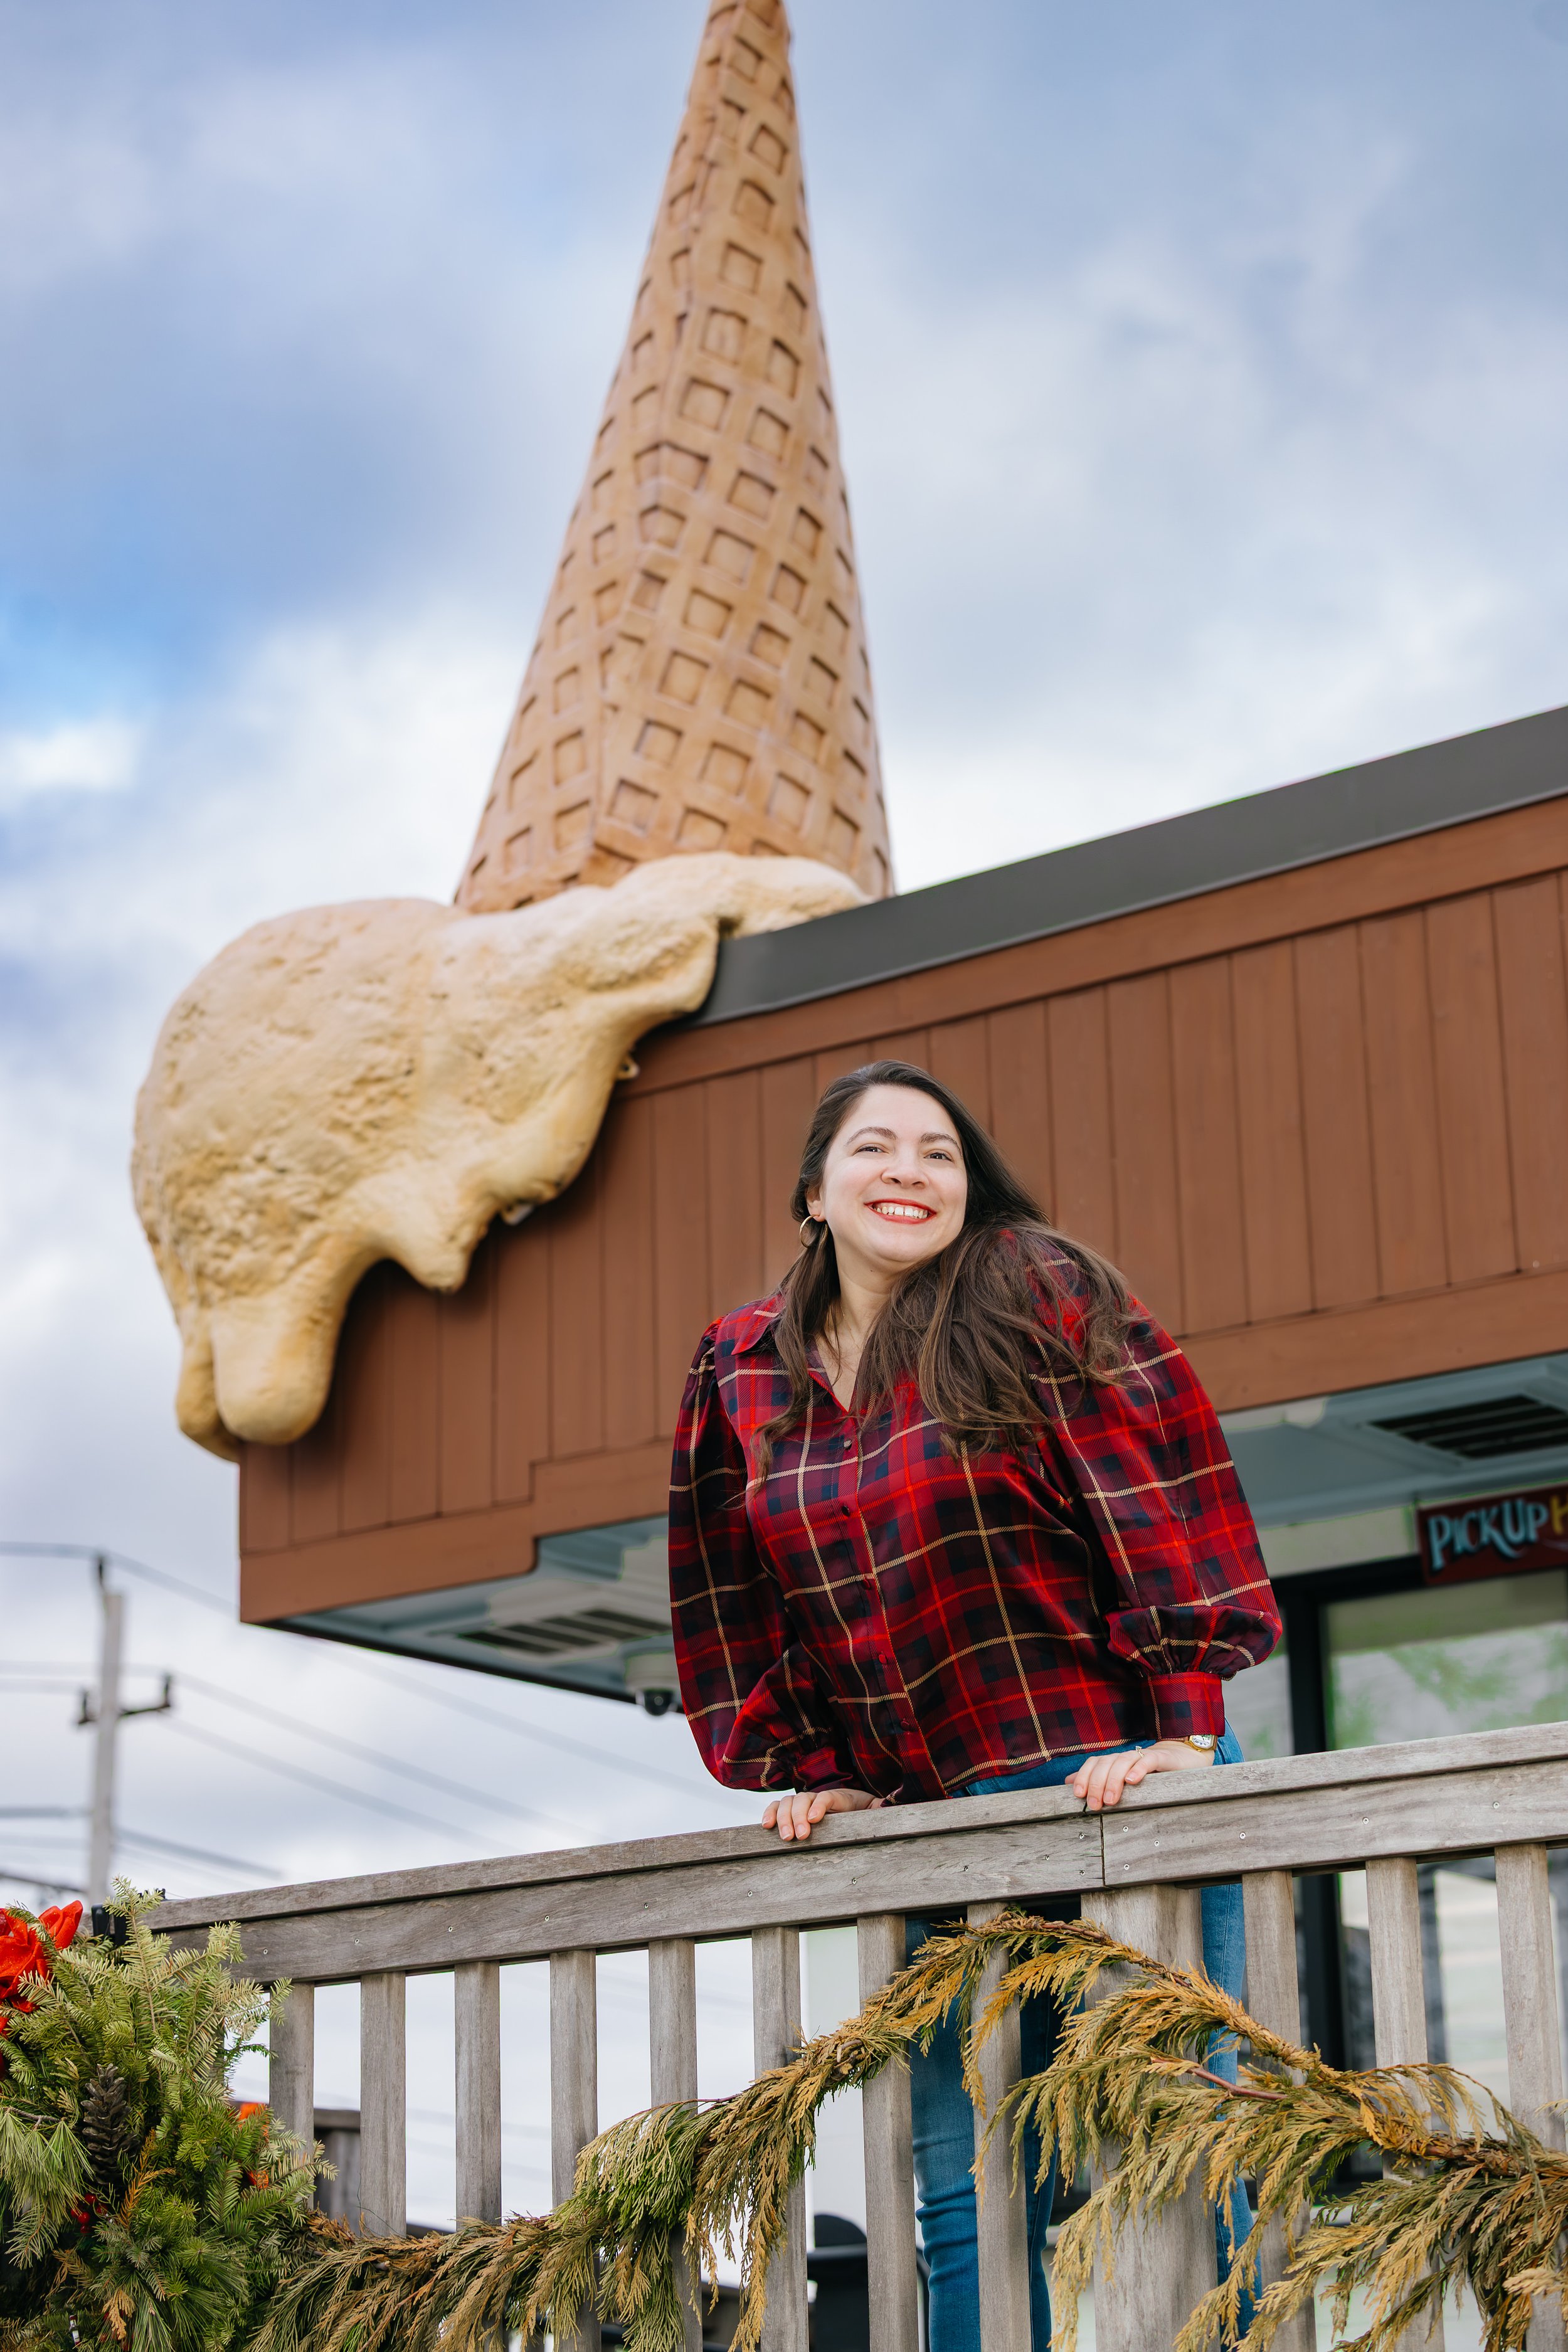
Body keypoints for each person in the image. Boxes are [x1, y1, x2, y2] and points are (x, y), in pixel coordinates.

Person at [667, 1061, 1283, 2352]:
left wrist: (1181, 1723)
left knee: (1169, 2138)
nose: (908, 1171)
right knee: (961, 2191)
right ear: (813, 1192)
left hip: (1110, 1779)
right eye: (874, 1149)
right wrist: (816, 1763)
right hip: (931, 1830)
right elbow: (733, 1591)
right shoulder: (738, 1368)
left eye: (937, 1153)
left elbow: (1153, 1486)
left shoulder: (1028, 1286)